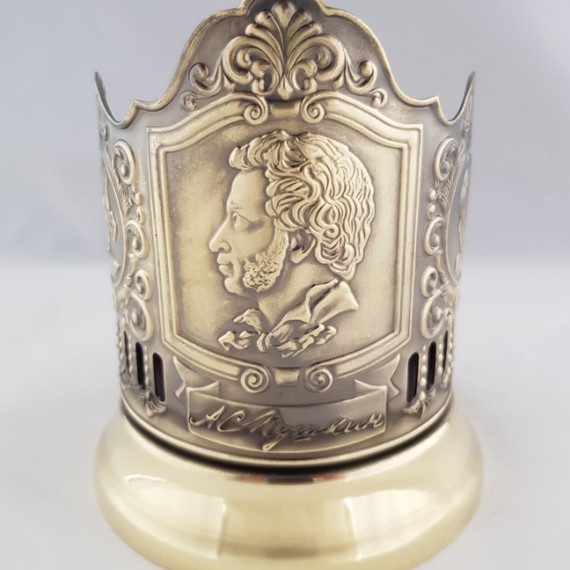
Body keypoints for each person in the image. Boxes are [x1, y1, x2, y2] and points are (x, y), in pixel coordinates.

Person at [209, 130, 375, 359]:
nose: (216, 242)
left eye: (239, 220)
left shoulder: (343, 319)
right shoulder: (246, 330)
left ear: (300, 243)